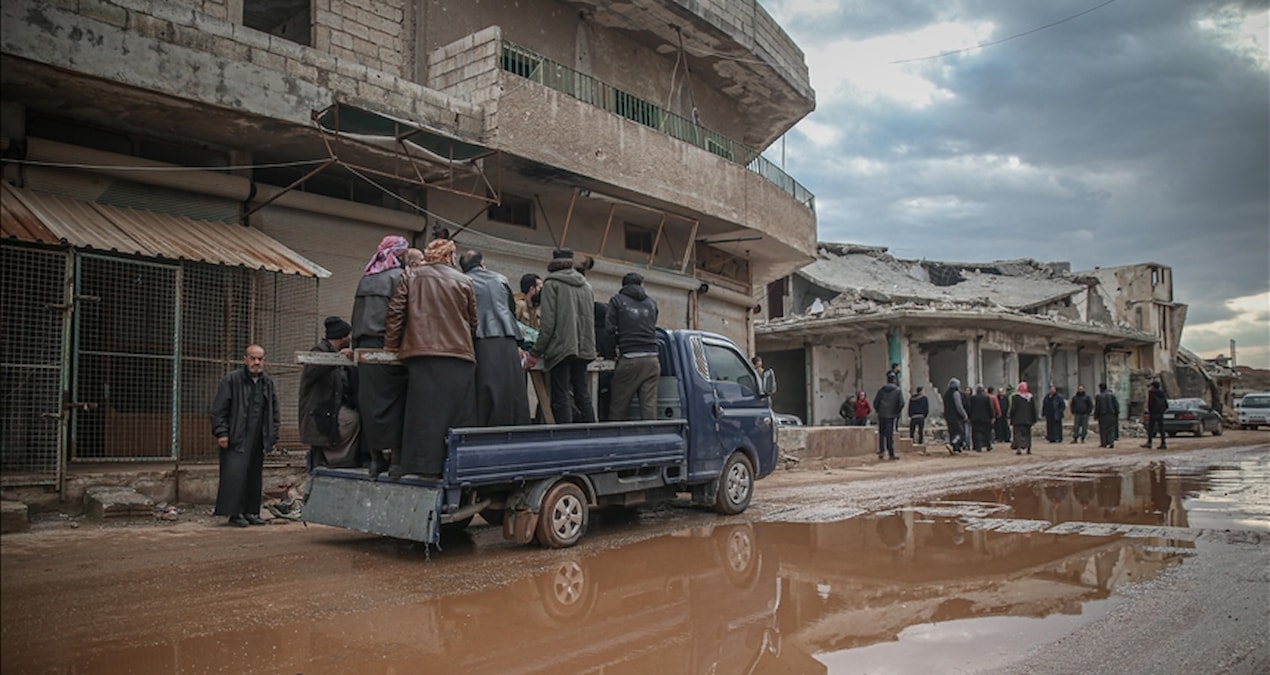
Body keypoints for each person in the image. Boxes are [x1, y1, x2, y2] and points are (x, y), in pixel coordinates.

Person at [385, 238, 478, 479]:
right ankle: (452, 466)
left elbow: (396, 311)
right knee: (456, 414)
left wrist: (392, 345)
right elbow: (472, 320)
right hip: (459, 355)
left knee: (423, 412)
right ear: (449, 256)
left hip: (422, 354)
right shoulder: (464, 280)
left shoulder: (411, 275)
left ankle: (420, 465)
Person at [351, 235, 409, 477]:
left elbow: (355, 315)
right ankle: (396, 460)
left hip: (364, 349)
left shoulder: (366, 279)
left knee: (370, 404)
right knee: (396, 402)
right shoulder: (399, 277)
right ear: (399, 254)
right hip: (388, 347)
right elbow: (401, 314)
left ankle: (375, 460)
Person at [210, 344, 279, 527]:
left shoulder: (267, 383)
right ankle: (235, 514)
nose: (257, 362)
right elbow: (219, 409)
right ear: (245, 359)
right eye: (253, 358)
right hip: (236, 436)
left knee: (254, 476)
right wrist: (222, 432)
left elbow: (274, 412)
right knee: (235, 475)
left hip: (258, 437)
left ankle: (251, 511)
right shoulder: (232, 380)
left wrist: (272, 436)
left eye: (260, 358)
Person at [460, 249, 530, 427]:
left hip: (480, 338)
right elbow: (511, 308)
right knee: (512, 391)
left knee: (485, 392)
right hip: (508, 337)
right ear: (482, 263)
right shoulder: (501, 279)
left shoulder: (463, 281)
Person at [532, 248, 598, 424]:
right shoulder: (587, 286)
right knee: (582, 393)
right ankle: (592, 434)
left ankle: (566, 438)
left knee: (561, 396)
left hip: (561, 348)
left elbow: (547, 325)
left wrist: (536, 351)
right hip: (584, 348)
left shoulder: (551, 284)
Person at [298, 317, 360, 468]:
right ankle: (337, 460)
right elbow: (313, 373)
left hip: (333, 406)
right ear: (342, 337)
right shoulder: (320, 351)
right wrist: (337, 359)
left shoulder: (336, 352)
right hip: (321, 410)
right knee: (352, 420)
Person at [606, 272, 660, 421]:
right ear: (641, 285)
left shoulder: (617, 301)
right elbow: (652, 326)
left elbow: (609, 329)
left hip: (630, 358)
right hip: (652, 359)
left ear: (624, 285)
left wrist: (611, 353)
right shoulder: (652, 303)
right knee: (649, 408)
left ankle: (615, 440)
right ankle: (651, 439)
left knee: (618, 405)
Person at [873, 373, 905, 460]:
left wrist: (878, 410)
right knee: (889, 435)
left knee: (881, 434)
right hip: (891, 415)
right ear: (894, 380)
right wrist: (896, 412)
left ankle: (882, 451)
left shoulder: (881, 390)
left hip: (882, 414)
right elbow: (901, 403)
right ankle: (891, 453)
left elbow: (876, 402)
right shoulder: (898, 391)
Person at [1010, 381, 1038, 455]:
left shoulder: (1015, 397)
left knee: (1018, 434)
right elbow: (1033, 409)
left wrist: (1011, 417)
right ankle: (1028, 449)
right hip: (1028, 420)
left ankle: (1019, 448)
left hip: (1017, 420)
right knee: (1027, 434)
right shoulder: (1030, 397)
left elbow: (1013, 409)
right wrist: (1034, 419)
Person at [943, 377, 968, 454]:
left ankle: (955, 448)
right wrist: (964, 415)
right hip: (956, 416)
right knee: (960, 433)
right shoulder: (955, 393)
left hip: (948, 416)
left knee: (952, 432)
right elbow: (958, 406)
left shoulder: (946, 394)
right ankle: (953, 443)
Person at [1142, 381, 1169, 449]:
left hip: (1153, 412)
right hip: (1160, 412)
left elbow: (1150, 402)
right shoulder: (1161, 392)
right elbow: (1166, 404)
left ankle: (1149, 443)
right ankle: (1163, 443)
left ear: (1153, 386)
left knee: (1151, 428)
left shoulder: (1151, 392)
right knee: (1161, 428)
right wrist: (1162, 410)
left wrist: (1149, 410)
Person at [969, 385, 995, 452]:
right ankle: (988, 446)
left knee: (976, 433)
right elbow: (990, 408)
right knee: (987, 433)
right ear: (983, 391)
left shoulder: (972, 398)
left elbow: (970, 408)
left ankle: (978, 447)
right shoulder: (986, 398)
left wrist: (969, 416)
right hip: (985, 418)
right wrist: (992, 416)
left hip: (975, 418)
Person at [1094, 382, 1120, 448]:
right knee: (1111, 429)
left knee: (1103, 429)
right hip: (1111, 414)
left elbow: (1098, 407)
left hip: (1103, 415)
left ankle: (1104, 443)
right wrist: (1116, 413)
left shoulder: (1099, 396)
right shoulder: (1112, 395)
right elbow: (1116, 405)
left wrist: (1095, 415)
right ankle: (1111, 442)